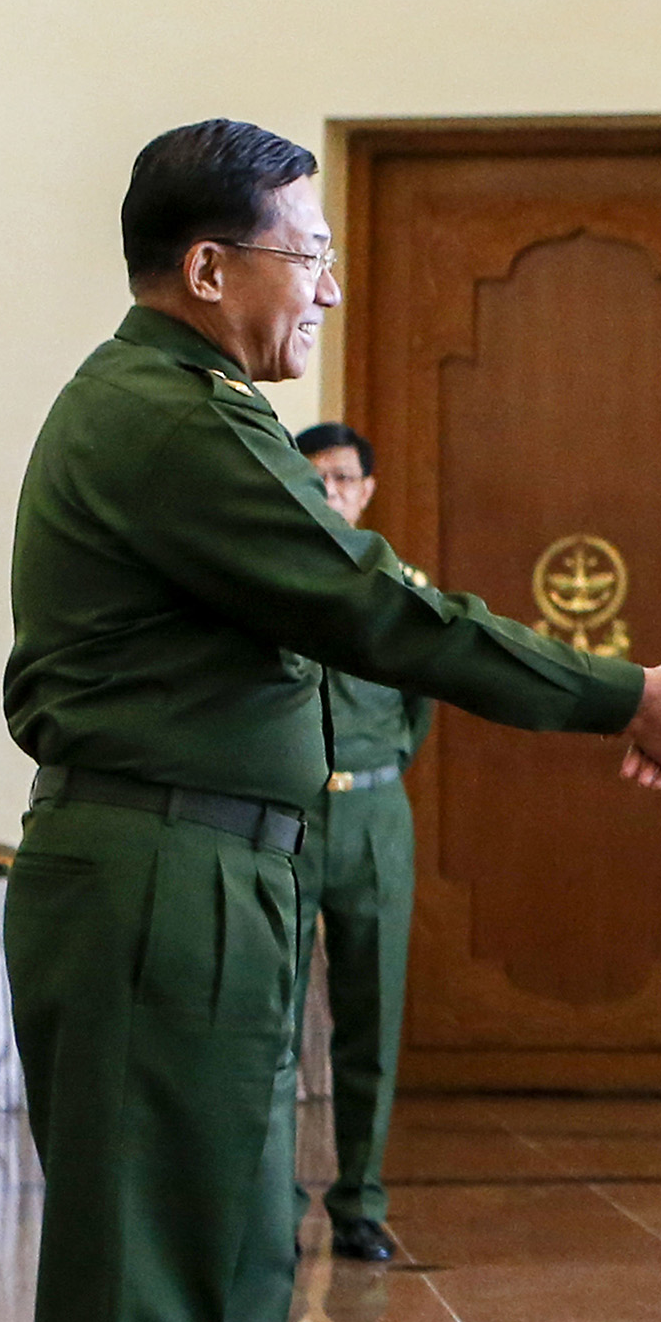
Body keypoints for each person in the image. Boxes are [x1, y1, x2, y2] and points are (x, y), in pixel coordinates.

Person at [3, 118, 661, 1322]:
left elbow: (358, 614)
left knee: (239, 1265)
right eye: (304, 251)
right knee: (154, 1291)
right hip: (156, 877)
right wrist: (618, 693)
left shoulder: (200, 418)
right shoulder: (163, 421)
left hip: (216, 871)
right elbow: (380, 616)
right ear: (211, 268)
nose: (325, 282)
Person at [287, 422, 426, 1263]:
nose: (332, 491)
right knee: (271, 1020)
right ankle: (271, 1201)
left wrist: (380, 769)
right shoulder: (273, 581)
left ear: (367, 489)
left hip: (375, 815)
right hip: (290, 817)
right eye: (317, 478)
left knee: (371, 1017)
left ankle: (359, 1203)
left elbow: (419, 705)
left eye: (344, 478)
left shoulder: (397, 587)